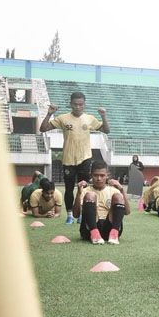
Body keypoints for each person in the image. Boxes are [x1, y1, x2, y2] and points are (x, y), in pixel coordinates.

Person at [40, 91, 110, 224]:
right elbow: (43, 128)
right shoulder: (63, 118)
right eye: (75, 104)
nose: (78, 107)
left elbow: (106, 130)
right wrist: (49, 113)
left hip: (85, 158)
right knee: (69, 188)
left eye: (80, 104)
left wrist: (104, 116)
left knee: (83, 188)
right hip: (68, 159)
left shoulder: (90, 118)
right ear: (70, 104)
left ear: (84, 104)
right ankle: (70, 215)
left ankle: (82, 215)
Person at [72, 160, 130, 245]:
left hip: (109, 227)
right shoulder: (84, 191)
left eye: (102, 175)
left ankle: (114, 234)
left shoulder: (113, 190)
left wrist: (121, 190)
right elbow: (76, 215)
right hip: (89, 229)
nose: (99, 178)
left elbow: (127, 212)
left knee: (118, 196)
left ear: (107, 175)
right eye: (96, 175)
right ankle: (94, 234)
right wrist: (79, 193)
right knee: (90, 195)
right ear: (91, 175)